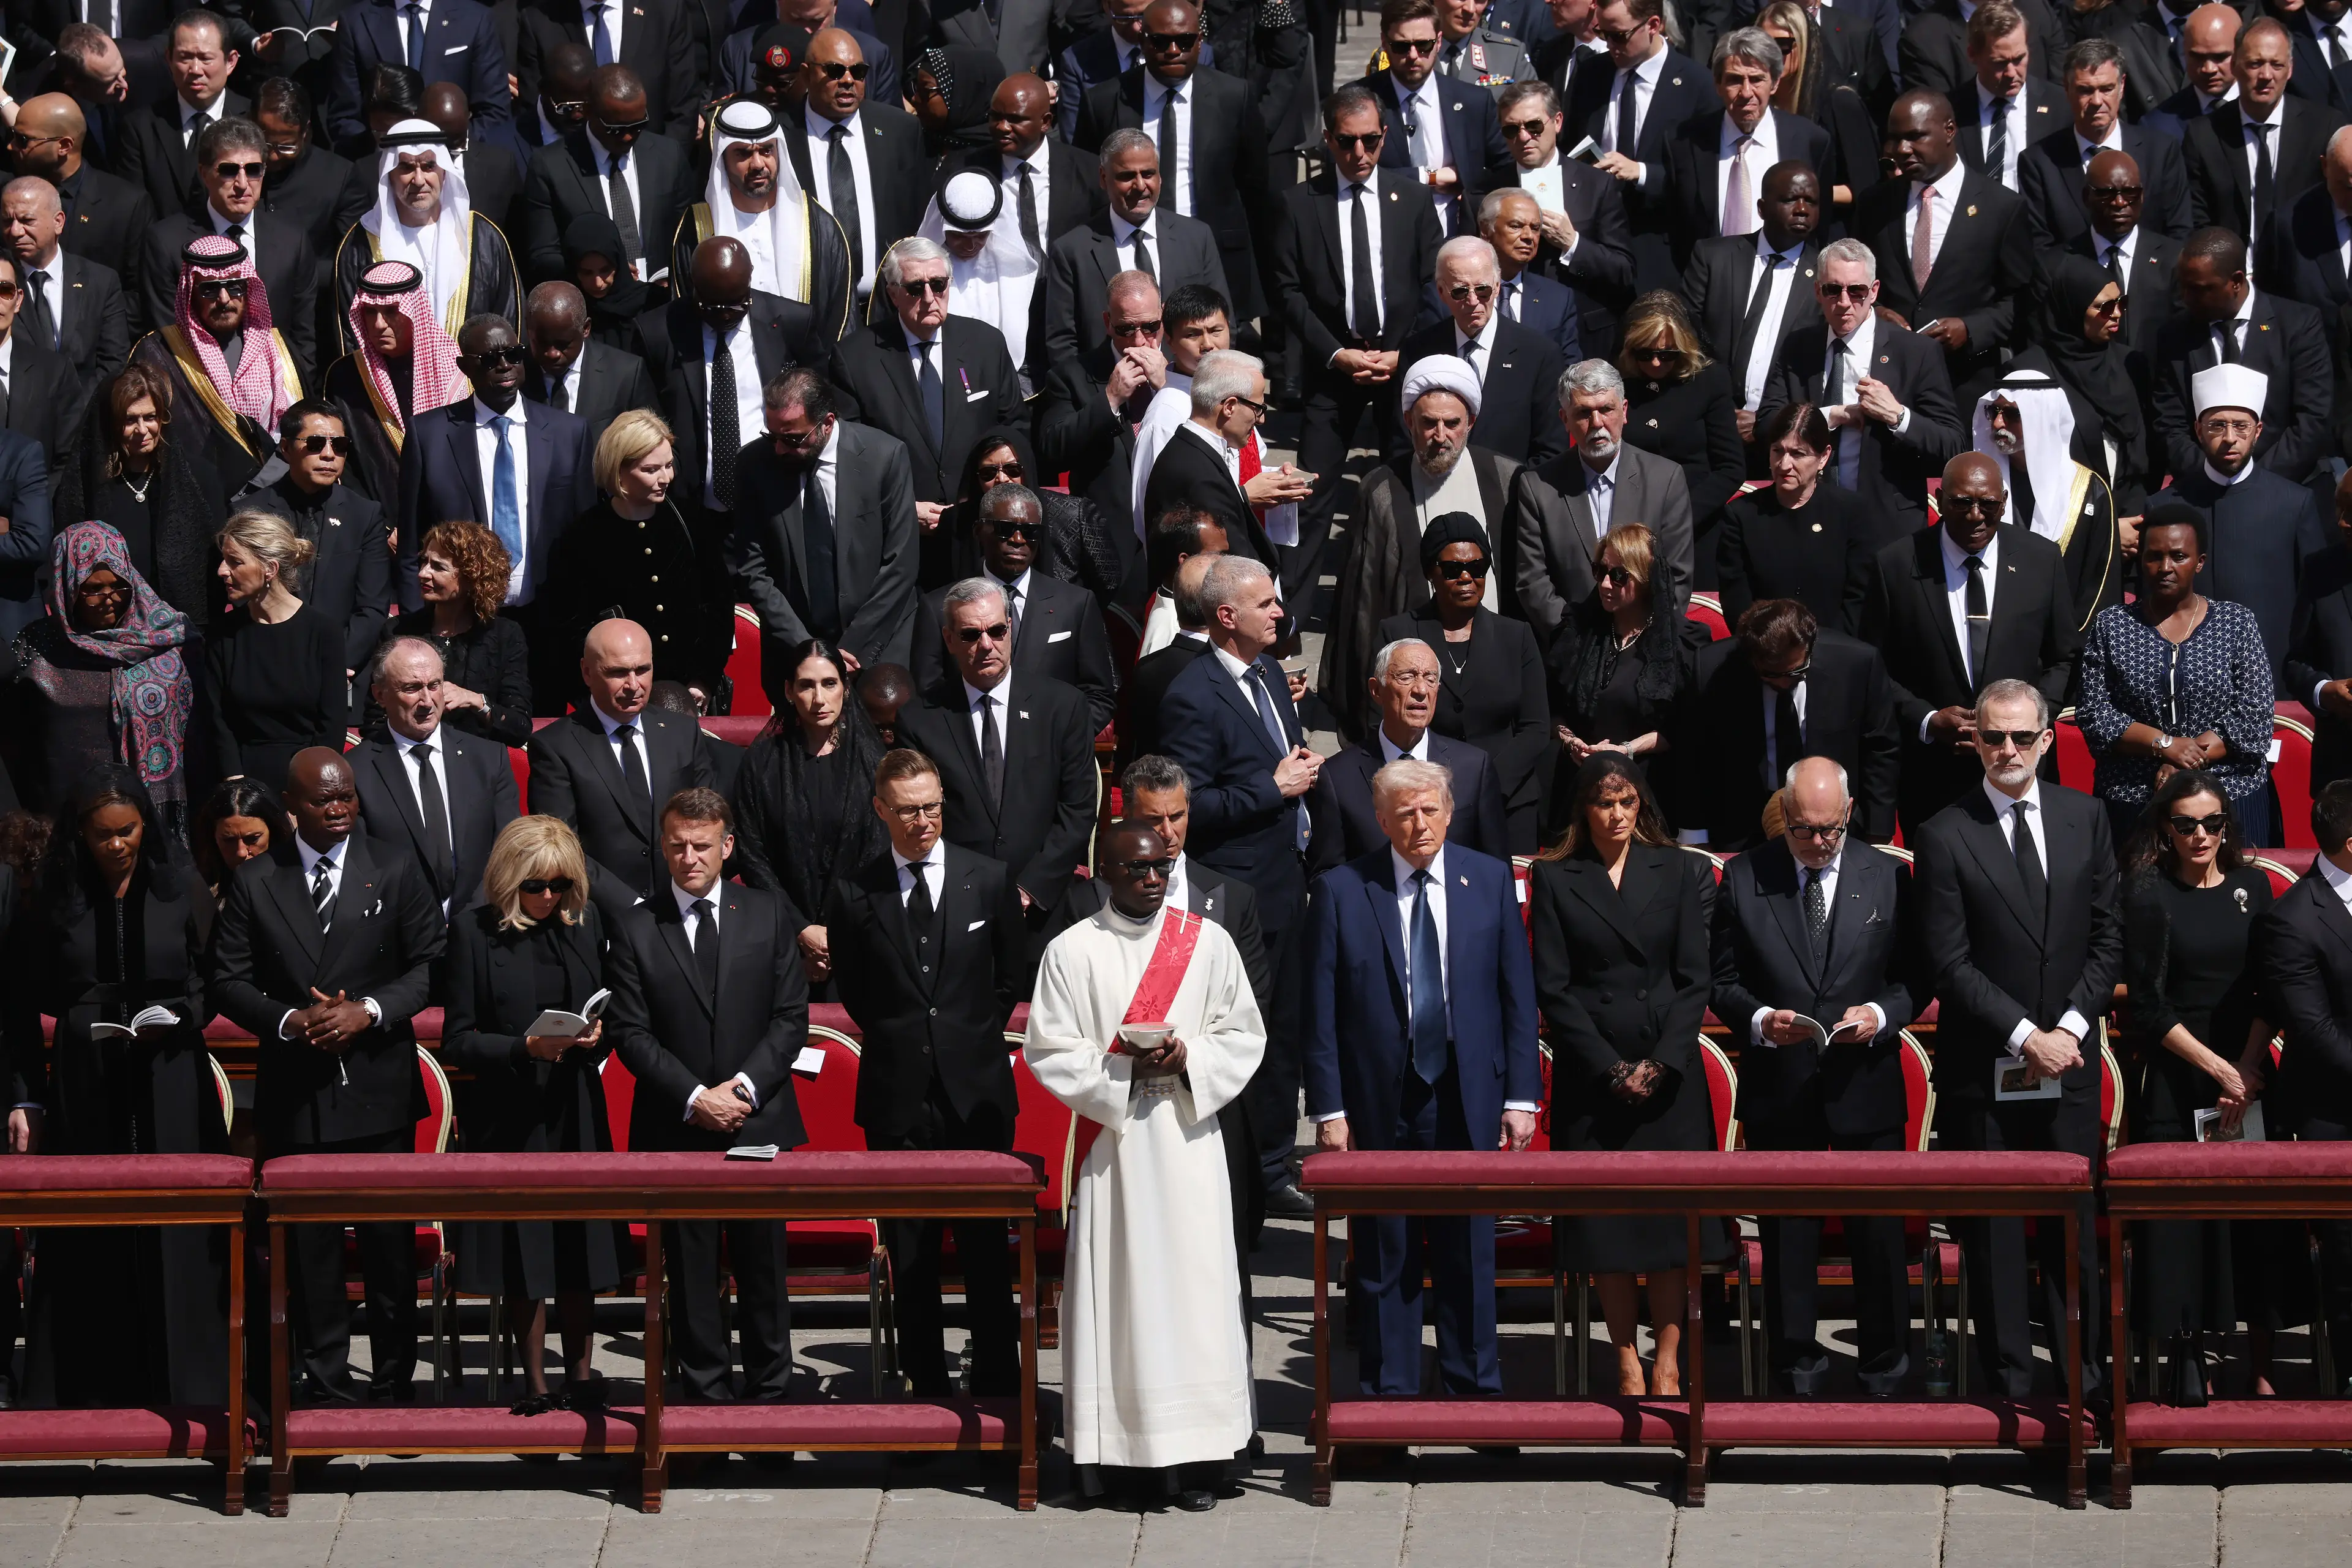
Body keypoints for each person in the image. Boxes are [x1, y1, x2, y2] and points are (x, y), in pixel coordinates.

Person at [1024, 819, 1265, 1510]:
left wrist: (1189, 1056)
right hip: (1118, 1146)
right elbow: (1050, 1048)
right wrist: (1119, 1070)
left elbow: (1243, 1030)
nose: (1153, 879)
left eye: (1163, 866)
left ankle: (1199, 1459)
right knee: (1124, 1294)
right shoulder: (1073, 951)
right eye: (1138, 869)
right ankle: (1118, 1456)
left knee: (1196, 1296)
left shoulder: (1208, 942)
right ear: (1106, 870)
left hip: (1190, 1141)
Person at [211, 746, 445, 1403]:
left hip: (378, 1090)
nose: (340, 809)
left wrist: (367, 1011)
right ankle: (326, 1377)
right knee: (310, 1246)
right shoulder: (258, 879)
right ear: (293, 807)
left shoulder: (394, 866)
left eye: (347, 797)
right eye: (325, 800)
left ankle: (398, 1378)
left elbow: (430, 965)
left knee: (388, 1249)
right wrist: (289, 1021)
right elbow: (226, 977)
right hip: (298, 1088)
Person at [1304, 755, 1539, 1400]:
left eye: (1430, 808)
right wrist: (1328, 1109)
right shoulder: (1345, 889)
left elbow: (1516, 995)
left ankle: (1476, 1394)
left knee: (1469, 1250)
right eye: (1403, 812)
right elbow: (1320, 1011)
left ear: (1449, 811)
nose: (1419, 822)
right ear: (1381, 820)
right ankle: (1391, 1399)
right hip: (1383, 1096)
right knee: (1388, 1254)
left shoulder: (1487, 880)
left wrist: (1522, 1095)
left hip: (1467, 1092)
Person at [1913, 677, 2121, 1400]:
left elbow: (2108, 936)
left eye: (2020, 737)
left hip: (2070, 1063)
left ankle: (2086, 1382)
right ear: (1974, 740)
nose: (2006, 750)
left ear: (2046, 739)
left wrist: (2066, 1029)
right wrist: (2024, 1033)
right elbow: (1948, 960)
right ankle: (2009, 1389)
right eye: (1992, 736)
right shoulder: (1943, 833)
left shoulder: (2085, 816)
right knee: (1996, 1239)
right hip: (1987, 1068)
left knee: (2074, 1234)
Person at [2, 766, 230, 1409]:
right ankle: (90, 1382)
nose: (118, 846)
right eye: (102, 836)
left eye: (127, 831)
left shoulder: (177, 884)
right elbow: (20, 1000)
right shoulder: (54, 896)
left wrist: (182, 1018)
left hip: (171, 1070)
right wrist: (28, 1093)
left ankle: (189, 1381)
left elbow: (214, 975)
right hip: (85, 1072)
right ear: (81, 835)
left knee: (180, 1227)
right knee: (91, 1223)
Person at [1710, 755, 1918, 1395]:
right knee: (1787, 1237)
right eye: (1805, 830)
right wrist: (1760, 1018)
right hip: (1784, 1082)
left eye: (1830, 829)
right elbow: (1721, 980)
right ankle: (1795, 1362)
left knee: (1879, 1238)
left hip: (1866, 1080)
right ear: (1786, 818)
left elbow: (1918, 977)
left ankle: (1885, 1363)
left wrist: (1882, 1013)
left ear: (1849, 815)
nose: (1819, 842)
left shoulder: (1887, 876)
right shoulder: (1746, 877)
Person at [823, 748, 1023, 1396]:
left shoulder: (988, 879)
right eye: (908, 810)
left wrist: (961, 1035)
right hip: (898, 1095)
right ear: (881, 810)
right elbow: (855, 990)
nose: (923, 821)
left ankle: (998, 1381)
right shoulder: (855, 890)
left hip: (978, 1091)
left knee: (986, 1247)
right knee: (911, 1253)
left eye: (932, 807)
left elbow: (1009, 976)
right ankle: (926, 1387)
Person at [1529, 753, 1727, 1395]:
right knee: (1608, 1231)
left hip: (1669, 1077)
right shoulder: (1557, 877)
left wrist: (1662, 1060)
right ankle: (1623, 1355)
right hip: (1596, 1076)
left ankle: (1668, 1359)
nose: (1617, 816)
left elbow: (1694, 978)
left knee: (1670, 1227)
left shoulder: (1679, 869)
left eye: (1628, 802)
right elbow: (1555, 989)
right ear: (1583, 807)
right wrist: (1609, 1065)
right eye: (1604, 803)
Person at [605, 786, 808, 1403]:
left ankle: (772, 1402)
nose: (689, 857)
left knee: (764, 1273)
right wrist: (697, 1097)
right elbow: (630, 1033)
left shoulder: (769, 913)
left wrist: (741, 1090)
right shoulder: (637, 926)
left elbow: (789, 1018)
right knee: (691, 1277)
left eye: (700, 845)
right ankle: (704, 1407)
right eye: (676, 845)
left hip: (758, 1121)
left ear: (727, 846)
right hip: (679, 1127)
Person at [439, 814, 618, 1409]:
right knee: (524, 1242)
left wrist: (597, 1037)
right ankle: (536, 1382)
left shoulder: (581, 922)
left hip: (573, 1104)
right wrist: (524, 1047)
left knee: (578, 1238)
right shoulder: (473, 931)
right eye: (535, 887)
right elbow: (458, 1039)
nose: (548, 898)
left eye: (559, 886)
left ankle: (582, 1373)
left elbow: (607, 1011)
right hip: (510, 1109)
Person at [2116, 769, 2272, 1404]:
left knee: (2256, 1223)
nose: (2201, 835)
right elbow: (2148, 1006)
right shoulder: (2149, 893)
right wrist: (2218, 1067)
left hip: (2250, 1074)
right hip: (2183, 1078)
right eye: (2186, 825)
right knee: (2188, 1226)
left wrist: (2249, 1066)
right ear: (2165, 829)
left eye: (2213, 823)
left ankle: (2260, 1361)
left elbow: (2272, 983)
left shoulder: (2253, 886)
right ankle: (2191, 1357)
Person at [1270, 84, 1446, 601]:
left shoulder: (1411, 198)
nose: (1360, 154)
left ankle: (1411, 601)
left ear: (1385, 135)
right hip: (1334, 368)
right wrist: (1335, 353)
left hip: (1401, 367)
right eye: (1348, 142)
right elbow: (1288, 291)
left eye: (1371, 140)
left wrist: (1404, 352)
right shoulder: (1300, 204)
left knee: (1407, 483)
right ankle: (1291, 614)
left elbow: (1433, 284)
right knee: (1311, 492)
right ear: (1328, 140)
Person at [1861, 451, 2084, 837]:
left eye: (1989, 504)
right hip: (1934, 775)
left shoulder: (2040, 559)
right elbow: (1875, 669)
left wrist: (2021, 726)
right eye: (1962, 503)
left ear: (2004, 502)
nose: (1976, 515)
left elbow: (2064, 658)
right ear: (1940, 501)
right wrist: (1927, 720)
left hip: (2022, 770)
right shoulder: (1895, 565)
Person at [398, 312, 599, 703]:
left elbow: (585, 542)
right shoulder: (430, 435)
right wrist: (419, 628)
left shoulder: (569, 432)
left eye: (513, 353)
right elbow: (411, 543)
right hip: (461, 625)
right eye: (490, 358)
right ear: (464, 367)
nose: (504, 365)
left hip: (547, 623)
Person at [895, 576, 1100, 953]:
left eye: (997, 630)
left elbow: (1077, 809)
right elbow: (919, 817)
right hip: (957, 910)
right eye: (971, 634)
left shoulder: (1062, 707)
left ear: (1011, 629)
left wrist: (1029, 889)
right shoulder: (920, 719)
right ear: (949, 640)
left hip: (1045, 909)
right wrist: (968, 891)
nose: (986, 645)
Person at [1322, 356, 1521, 721]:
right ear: (1409, 422)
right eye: (1428, 423)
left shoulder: (1506, 479)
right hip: (1413, 672)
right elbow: (1363, 596)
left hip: (1492, 660)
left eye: (1452, 423)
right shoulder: (1380, 488)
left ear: (1471, 423)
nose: (1440, 436)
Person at [830, 235, 1026, 584]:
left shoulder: (986, 344)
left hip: (978, 533)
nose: (929, 298)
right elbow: (849, 458)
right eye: (915, 288)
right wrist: (905, 509)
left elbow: (1014, 430)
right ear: (892, 294)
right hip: (901, 544)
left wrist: (988, 499)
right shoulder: (855, 358)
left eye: (938, 285)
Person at [2076, 506, 2276, 845]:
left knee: (2236, 894)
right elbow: (2095, 715)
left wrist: (2186, 762)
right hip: (2135, 796)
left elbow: (2254, 715)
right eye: (2155, 556)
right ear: (2140, 558)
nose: (2165, 568)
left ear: (2200, 561)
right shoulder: (2112, 625)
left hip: (2228, 793)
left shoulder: (2236, 623)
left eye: (2179, 556)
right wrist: (2164, 746)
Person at [1757, 236, 1967, 550]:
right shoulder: (1799, 346)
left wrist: (1898, 416)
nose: (1844, 302)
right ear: (1818, 291)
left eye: (1856, 291)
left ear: (1874, 292)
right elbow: (1766, 425)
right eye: (1833, 290)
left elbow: (1953, 444)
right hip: (1805, 518)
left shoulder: (1915, 352)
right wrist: (1832, 416)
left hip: (1885, 526)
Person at [729, 365, 923, 690]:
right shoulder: (754, 465)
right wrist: (810, 652)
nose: (779, 448)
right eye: (772, 435)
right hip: (794, 648)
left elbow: (901, 565)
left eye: (791, 438)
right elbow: (753, 570)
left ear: (827, 424)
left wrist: (851, 648)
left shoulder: (884, 457)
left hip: (876, 645)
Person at [1072, 0, 1268, 318]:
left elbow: (1256, 187)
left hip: (1212, 256)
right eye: (1161, 41)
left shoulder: (1234, 97)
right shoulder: (1105, 100)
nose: (1173, 50)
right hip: (1131, 254)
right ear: (1142, 40)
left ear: (1200, 42)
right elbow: (1087, 184)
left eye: (1185, 41)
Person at [0, 522, 195, 834]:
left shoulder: (160, 641)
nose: (109, 598)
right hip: (59, 819)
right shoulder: (37, 647)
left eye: (119, 585)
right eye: (92, 589)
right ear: (67, 585)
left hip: (142, 824)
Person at [1373, 516, 1551, 853]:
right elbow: (1379, 720)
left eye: (1478, 566)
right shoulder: (1397, 634)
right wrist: (1429, 789)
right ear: (1431, 572)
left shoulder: (1518, 636)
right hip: (1423, 807)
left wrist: (1484, 784)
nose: (1467, 577)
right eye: (1453, 569)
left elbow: (1536, 728)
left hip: (1508, 802)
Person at [2147, 363, 2334, 679]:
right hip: (2182, 680)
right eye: (2218, 426)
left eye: (2241, 426)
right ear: (2198, 430)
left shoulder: (2294, 503)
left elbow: (2316, 604)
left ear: (2258, 431)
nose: (2230, 438)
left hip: (2273, 677)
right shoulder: (2164, 506)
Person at [1847, 89, 2036, 400]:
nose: (1902, 150)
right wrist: (1874, 310)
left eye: (1915, 137)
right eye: (1895, 139)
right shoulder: (1875, 203)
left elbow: (2021, 301)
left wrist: (1970, 328)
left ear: (1949, 130)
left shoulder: (2002, 207)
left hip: (1965, 384)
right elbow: (1854, 280)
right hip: (1885, 381)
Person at [527, 618, 716, 918]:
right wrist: (633, 909)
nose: (634, 685)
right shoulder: (555, 747)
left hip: (684, 908)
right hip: (602, 919)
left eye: (643, 670)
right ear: (587, 672)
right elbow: (562, 847)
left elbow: (708, 821)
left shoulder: (683, 733)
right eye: (618, 672)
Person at [543, 409, 733, 703]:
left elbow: (718, 607)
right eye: (651, 470)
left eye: (669, 466)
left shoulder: (693, 522)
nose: (666, 478)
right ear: (618, 470)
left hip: (687, 689)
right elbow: (569, 625)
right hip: (616, 696)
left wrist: (703, 679)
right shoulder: (583, 537)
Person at [731, 639, 891, 982]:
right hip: (781, 939)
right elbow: (752, 854)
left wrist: (837, 933)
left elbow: (880, 852)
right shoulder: (761, 764)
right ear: (789, 691)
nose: (819, 699)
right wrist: (802, 929)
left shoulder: (873, 763)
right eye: (806, 685)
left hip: (862, 937)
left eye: (829, 684)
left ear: (845, 689)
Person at [1687, 597, 1900, 850]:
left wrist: (1878, 833)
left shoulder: (1857, 664)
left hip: (1833, 826)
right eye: (1771, 675)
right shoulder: (1712, 668)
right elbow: (1695, 755)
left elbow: (1880, 748)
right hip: (1743, 827)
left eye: (1795, 673)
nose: (1784, 683)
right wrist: (1695, 838)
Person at [1507, 357, 1696, 644]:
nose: (1597, 423)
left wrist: (1639, 639)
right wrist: (1576, 641)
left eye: (1606, 409)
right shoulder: (1538, 487)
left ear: (1624, 411)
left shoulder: (1666, 480)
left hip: (1645, 648)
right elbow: (1532, 581)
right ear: (1565, 420)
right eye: (1584, 413)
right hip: (1570, 650)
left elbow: (1677, 578)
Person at [910, 482, 1118, 734]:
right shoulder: (938, 608)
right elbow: (928, 698)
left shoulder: (1076, 604)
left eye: (1030, 532)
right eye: (1005, 529)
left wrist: (1060, 744)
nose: (1018, 540)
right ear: (979, 531)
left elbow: (1098, 696)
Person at [241, 399, 396, 714]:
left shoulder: (364, 514)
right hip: (270, 668)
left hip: (344, 672)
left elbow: (372, 607)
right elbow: (248, 599)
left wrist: (332, 662)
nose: (329, 454)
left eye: (339, 445)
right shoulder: (251, 513)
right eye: (315, 444)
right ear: (285, 448)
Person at [136, 115, 320, 377]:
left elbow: (304, 342)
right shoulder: (166, 243)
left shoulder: (294, 242)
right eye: (229, 170)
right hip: (197, 392)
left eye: (254, 170)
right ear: (204, 174)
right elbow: (168, 342)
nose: (243, 184)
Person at [350, 636, 522, 915]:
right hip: (400, 932)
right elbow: (361, 867)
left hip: (481, 926)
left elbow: (510, 849)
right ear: (380, 695)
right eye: (412, 688)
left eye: (435, 685)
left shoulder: (490, 759)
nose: (427, 702)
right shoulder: (357, 771)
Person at [1309, 636, 1511, 871]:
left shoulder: (1474, 767)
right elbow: (1327, 876)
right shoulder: (1338, 777)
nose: (1421, 690)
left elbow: (1497, 870)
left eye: (1431, 679)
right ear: (1376, 690)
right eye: (1407, 677)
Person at [2150, 227, 2332, 484]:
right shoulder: (2175, 335)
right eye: (2184, 287)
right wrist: (2211, 477)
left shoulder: (2298, 325)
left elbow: (2312, 419)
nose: (2187, 298)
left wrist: (2254, 483)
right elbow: (2169, 424)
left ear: (2236, 281)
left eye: (2201, 289)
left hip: (2288, 485)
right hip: (2202, 490)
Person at [1561, 0, 1720, 292]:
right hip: (1594, 247)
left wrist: (1642, 172)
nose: (1610, 44)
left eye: (1619, 35)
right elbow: (1570, 143)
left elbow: (1705, 181)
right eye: (1602, 33)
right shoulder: (1591, 74)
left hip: (1661, 250)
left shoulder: (1698, 86)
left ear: (1653, 26)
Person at [1545, 520, 1694, 826]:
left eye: (1618, 576)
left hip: (1646, 791)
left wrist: (1624, 751)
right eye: (1600, 571)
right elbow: (1551, 709)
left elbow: (1680, 729)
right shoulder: (1578, 633)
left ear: (1645, 578)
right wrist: (1572, 742)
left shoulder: (1677, 645)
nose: (1604, 585)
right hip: (1580, 788)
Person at [129, 233, 303, 493]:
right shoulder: (158, 352)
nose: (224, 299)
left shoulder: (277, 347)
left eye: (234, 287)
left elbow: (300, 428)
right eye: (209, 289)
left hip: (275, 495)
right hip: (194, 496)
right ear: (191, 292)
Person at [665, 97, 853, 339]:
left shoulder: (819, 226)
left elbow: (840, 322)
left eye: (767, 151)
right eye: (743, 153)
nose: (758, 164)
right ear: (723, 158)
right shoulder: (697, 228)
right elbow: (685, 315)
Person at [1042, 129, 1228, 371]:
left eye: (1148, 174)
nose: (1140, 186)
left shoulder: (1196, 238)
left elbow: (1221, 321)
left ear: (1160, 176)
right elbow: (1062, 341)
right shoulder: (1072, 251)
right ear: (1103, 177)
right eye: (1127, 176)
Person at [333, 119, 521, 351]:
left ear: (444, 171)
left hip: (474, 382)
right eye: (407, 168)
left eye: (429, 166)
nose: (419, 180)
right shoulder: (361, 243)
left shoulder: (483, 237)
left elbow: (508, 318)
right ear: (389, 174)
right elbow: (352, 337)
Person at [1661, 28, 1831, 268]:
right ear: (1717, 84)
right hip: (1706, 287)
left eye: (1756, 79)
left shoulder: (1810, 141)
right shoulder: (1684, 143)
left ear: (1774, 82)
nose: (1746, 93)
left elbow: (1821, 230)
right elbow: (1675, 230)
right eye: (1734, 80)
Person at [514, 65, 692, 293]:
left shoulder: (668, 155)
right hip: (594, 312)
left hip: (660, 305)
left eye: (638, 126)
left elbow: (687, 236)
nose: (628, 136)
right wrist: (595, 271)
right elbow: (543, 255)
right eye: (616, 129)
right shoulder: (550, 166)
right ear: (588, 111)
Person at [1678, 160, 1824, 436]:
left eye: (1811, 202)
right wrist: (1716, 411)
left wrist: (1766, 422)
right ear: (1761, 208)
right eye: (1791, 199)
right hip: (1708, 427)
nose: (1803, 210)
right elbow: (1685, 336)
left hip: (1783, 436)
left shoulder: (1827, 277)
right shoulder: (1714, 257)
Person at [204, 509, 346, 792]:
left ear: (270, 568)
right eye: (224, 560)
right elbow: (217, 720)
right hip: (243, 782)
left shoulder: (322, 632)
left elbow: (331, 726)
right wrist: (236, 787)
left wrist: (308, 794)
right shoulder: (223, 633)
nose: (222, 570)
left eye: (235, 562)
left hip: (305, 780)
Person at [1493, 78, 1638, 356]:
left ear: (1557, 122)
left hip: (1583, 336)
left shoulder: (1596, 184)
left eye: (1534, 127)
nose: (1523, 137)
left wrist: (1573, 244)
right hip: (1509, 333)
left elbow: (1624, 271)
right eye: (1512, 130)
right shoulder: (1488, 189)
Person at [1971, 368, 2124, 627]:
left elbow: (2099, 586)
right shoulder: (1978, 487)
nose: (1998, 423)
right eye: (1993, 411)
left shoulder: (2090, 490)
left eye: (2011, 414)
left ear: (2042, 418)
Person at [1398, 236, 1570, 467]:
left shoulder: (1540, 355)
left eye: (1483, 290)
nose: (1472, 301)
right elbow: (1400, 441)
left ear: (1498, 287)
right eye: (1460, 292)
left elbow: (1551, 452)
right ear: (1441, 292)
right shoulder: (1418, 351)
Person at [794, 29, 931, 301]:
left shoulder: (899, 130)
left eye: (858, 71)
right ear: (807, 74)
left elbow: (919, 219)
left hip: (886, 308)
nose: (848, 80)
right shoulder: (781, 135)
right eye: (834, 71)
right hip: (809, 310)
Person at [1616, 290, 1743, 581]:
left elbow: (1731, 468)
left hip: (1696, 529)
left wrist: (1679, 519)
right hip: (1629, 531)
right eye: (1645, 354)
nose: (1657, 363)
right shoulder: (1618, 383)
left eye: (1667, 354)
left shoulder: (1710, 381)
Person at [2019, 39, 2195, 249]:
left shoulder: (2161, 152)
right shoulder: (2039, 163)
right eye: (2085, 90)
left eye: (2106, 89)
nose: (2096, 101)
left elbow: (2179, 234)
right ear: (2066, 89)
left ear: (2122, 86)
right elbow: (2041, 249)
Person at [2182, 17, 2345, 243]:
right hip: (2235, 272)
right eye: (2255, 64)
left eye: (2276, 65)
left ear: (2290, 70)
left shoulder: (2324, 128)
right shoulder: (2204, 135)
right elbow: (2198, 220)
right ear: (2234, 66)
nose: (2266, 76)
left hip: (2304, 269)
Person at [324, 258, 471, 507]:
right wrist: (380, 524)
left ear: (414, 311)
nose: (379, 324)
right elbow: (343, 462)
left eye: (391, 311)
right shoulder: (345, 375)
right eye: (370, 312)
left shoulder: (458, 368)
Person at [1717, 402, 1874, 633]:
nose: (1784, 465)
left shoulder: (1851, 512)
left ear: (1824, 457)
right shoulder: (1742, 515)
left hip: (1836, 653)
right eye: (1777, 451)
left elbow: (1860, 600)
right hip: (1765, 652)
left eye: (1798, 454)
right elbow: (1737, 603)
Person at [375, 521, 533, 748]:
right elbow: (376, 715)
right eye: (424, 562)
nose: (422, 573)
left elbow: (519, 727)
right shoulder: (399, 632)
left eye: (438, 567)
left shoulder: (505, 636)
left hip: (479, 765)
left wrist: (476, 701)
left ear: (472, 577)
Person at [2021, 252, 2154, 515]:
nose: (2116, 314)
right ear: (2073, 308)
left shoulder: (2130, 364)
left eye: (2121, 303)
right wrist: (2110, 529)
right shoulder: (2032, 373)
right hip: (2068, 525)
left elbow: (2143, 461)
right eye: (2105, 307)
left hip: (2132, 521)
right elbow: (2036, 472)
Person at [943, 425, 1124, 611]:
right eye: (989, 473)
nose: (1002, 479)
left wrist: (1074, 616)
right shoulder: (957, 521)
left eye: (1012, 470)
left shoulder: (1075, 514)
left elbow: (1108, 583)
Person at [324, 0, 513, 156]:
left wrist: (446, 151)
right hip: (383, 170)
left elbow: (494, 111)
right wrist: (386, 153)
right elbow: (345, 116)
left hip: (458, 166)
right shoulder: (356, 21)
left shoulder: (476, 18)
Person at [115, 11, 249, 221]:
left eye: (206, 59)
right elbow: (134, 211)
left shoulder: (253, 120)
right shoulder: (140, 127)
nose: (195, 70)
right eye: (185, 58)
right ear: (169, 59)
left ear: (230, 61)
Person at [1, 173, 129, 385]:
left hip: (88, 410)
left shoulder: (101, 282)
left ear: (58, 222)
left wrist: (77, 411)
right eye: (7, 221)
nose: (15, 231)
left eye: (27, 220)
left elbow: (114, 364)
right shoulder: (3, 282)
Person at [6, 92, 154, 276]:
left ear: (64, 146)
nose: (11, 146)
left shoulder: (126, 205)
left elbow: (135, 291)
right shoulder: (6, 192)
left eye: (23, 140)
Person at [2069, 150, 2182, 361]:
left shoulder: (2174, 260)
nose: (2120, 203)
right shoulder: (2064, 263)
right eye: (2107, 193)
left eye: (2130, 193)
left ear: (2142, 196)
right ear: (2087, 197)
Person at [522, 281, 659, 451]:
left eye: (563, 344)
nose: (552, 354)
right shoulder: (513, 373)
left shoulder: (625, 374)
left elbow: (651, 447)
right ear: (528, 329)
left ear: (586, 328)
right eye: (541, 343)